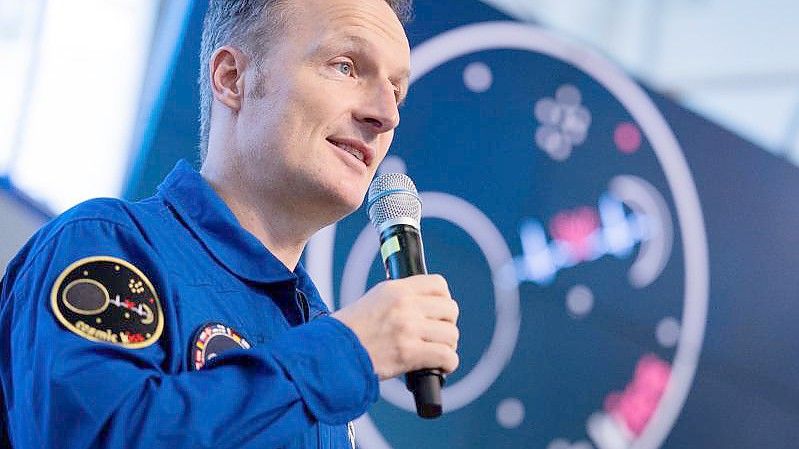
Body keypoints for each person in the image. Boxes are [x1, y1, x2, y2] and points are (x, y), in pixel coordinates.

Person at [0, 0, 460, 447]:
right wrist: (347, 350)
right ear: (232, 78)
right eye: (345, 66)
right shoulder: (105, 242)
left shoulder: (315, 333)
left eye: (397, 91)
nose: (386, 114)